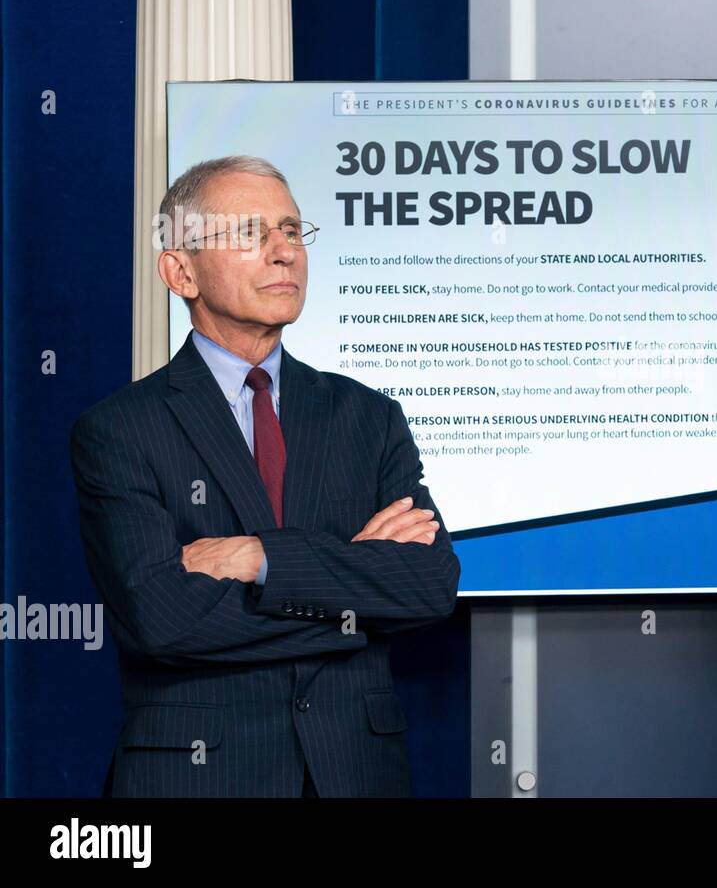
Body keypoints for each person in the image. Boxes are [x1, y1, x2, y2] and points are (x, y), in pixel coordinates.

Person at [70, 155, 459, 797]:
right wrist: (351, 597)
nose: (284, 253)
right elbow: (161, 619)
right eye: (251, 233)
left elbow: (428, 584)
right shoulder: (119, 429)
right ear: (180, 270)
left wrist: (260, 559)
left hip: (355, 778)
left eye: (293, 231)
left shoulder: (368, 416)